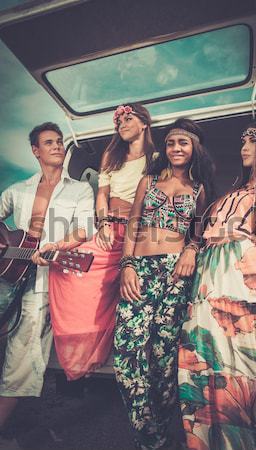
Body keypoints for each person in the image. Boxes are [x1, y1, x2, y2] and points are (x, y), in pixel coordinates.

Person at [178, 121, 256, 450]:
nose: (243, 148)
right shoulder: (229, 194)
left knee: (242, 361)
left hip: (244, 278)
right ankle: (212, 439)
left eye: (250, 142)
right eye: (242, 141)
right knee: (207, 356)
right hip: (207, 277)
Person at [114, 118, 215, 450]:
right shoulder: (149, 181)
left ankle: (162, 428)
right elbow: (132, 225)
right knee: (127, 353)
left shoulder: (199, 189)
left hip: (175, 278)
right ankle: (148, 434)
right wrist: (127, 265)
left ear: (194, 147)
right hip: (139, 271)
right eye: (171, 143)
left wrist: (190, 247)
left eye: (183, 143)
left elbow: (199, 234)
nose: (175, 149)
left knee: (162, 359)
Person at [0, 122, 94, 449]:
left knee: (21, 355)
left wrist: (56, 246)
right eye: (49, 142)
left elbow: (85, 229)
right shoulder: (17, 190)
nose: (57, 146)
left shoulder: (80, 190)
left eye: (59, 142)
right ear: (36, 151)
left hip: (47, 280)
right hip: (9, 277)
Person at [49, 103, 155, 380]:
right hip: (111, 230)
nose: (122, 124)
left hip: (141, 235)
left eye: (128, 118)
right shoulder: (112, 156)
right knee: (69, 269)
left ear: (144, 123)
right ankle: (83, 353)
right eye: (118, 121)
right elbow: (101, 196)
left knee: (133, 291)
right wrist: (105, 223)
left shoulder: (156, 158)